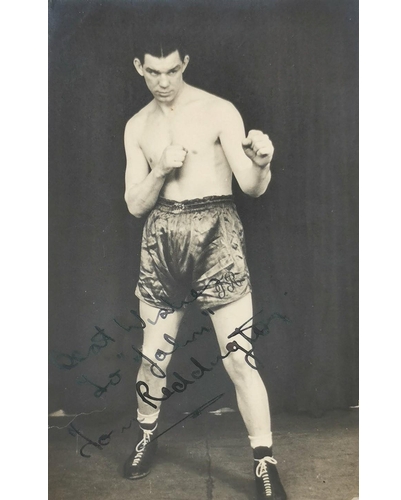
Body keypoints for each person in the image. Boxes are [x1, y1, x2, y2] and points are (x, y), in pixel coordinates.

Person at [122, 34, 287, 500]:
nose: (163, 81)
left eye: (171, 70)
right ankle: (145, 435)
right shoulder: (137, 126)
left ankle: (264, 460)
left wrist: (264, 162)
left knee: (239, 356)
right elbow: (135, 205)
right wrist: (158, 171)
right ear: (139, 67)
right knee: (154, 358)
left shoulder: (219, 110)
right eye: (153, 71)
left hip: (218, 234)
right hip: (161, 241)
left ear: (184, 63)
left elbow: (252, 187)